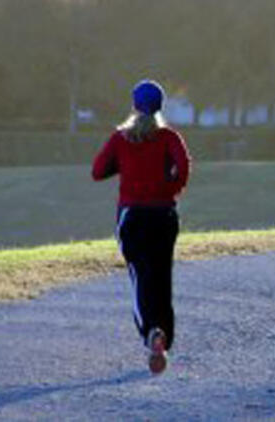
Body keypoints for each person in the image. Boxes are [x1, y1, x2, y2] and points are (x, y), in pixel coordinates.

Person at [91, 79, 191, 374]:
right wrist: (168, 188)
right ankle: (164, 336)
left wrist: (122, 168)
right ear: (161, 105)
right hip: (164, 214)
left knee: (140, 275)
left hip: (132, 215)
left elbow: (97, 171)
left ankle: (151, 332)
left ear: (134, 105)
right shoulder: (169, 137)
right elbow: (183, 169)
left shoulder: (121, 138)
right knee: (162, 274)